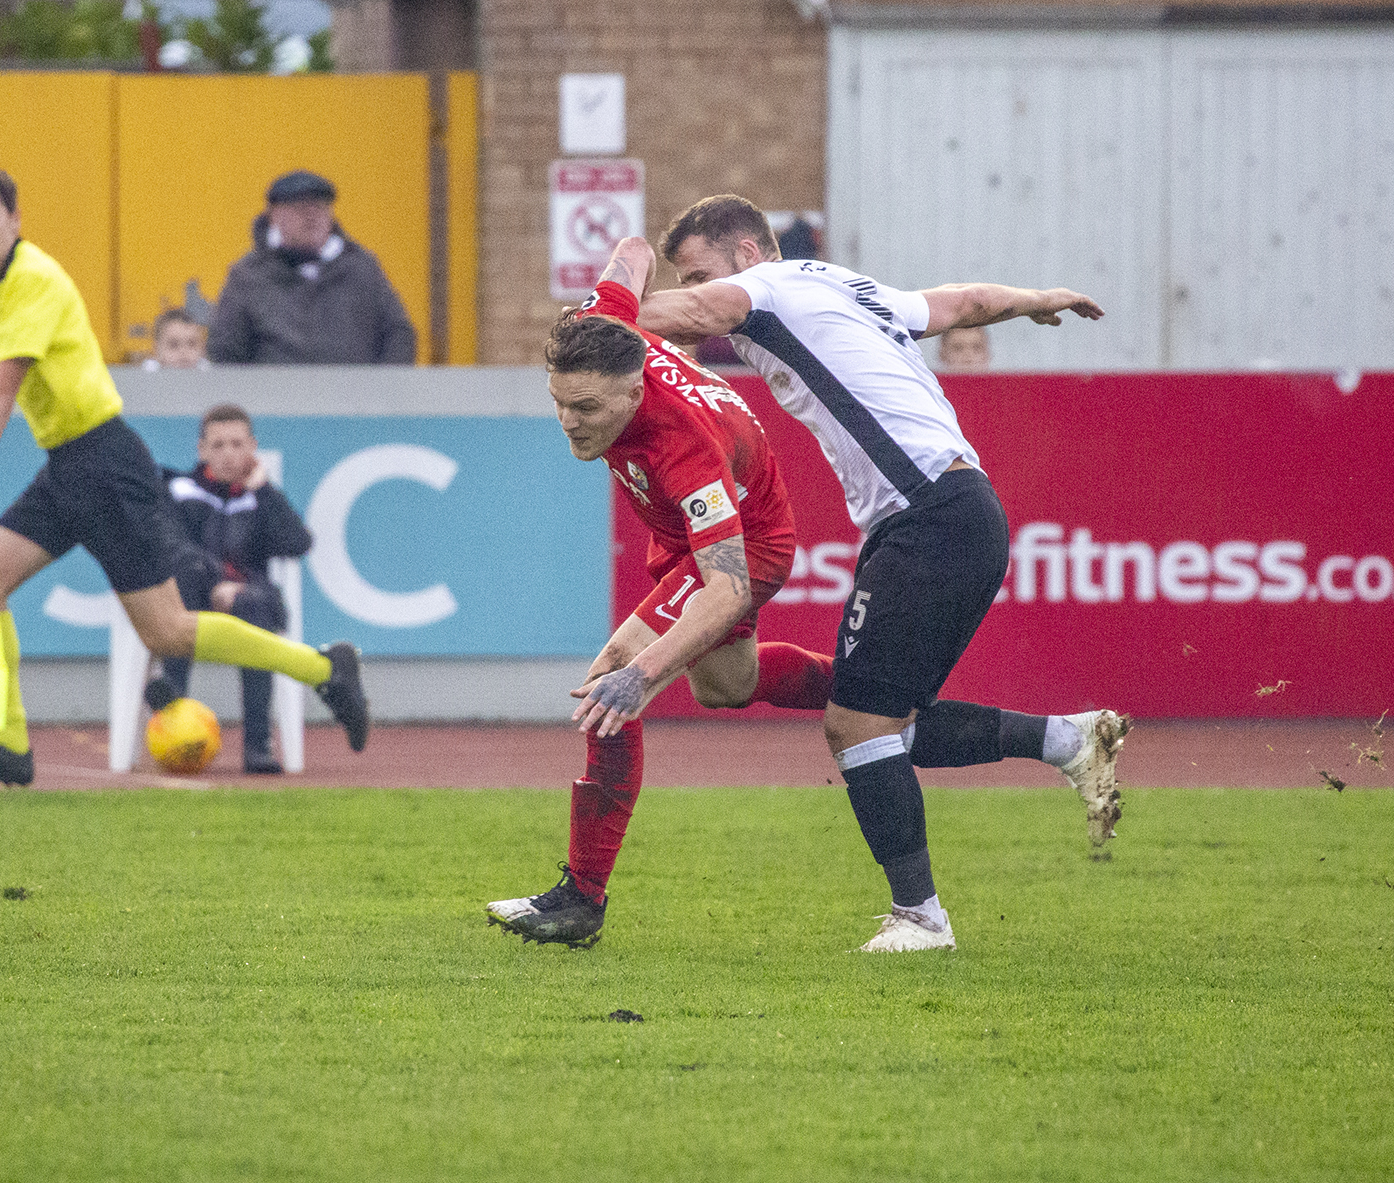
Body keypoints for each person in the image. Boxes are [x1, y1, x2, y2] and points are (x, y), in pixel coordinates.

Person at [636, 194, 1128, 952]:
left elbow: (696, 313)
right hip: (956, 510)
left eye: (699, 271)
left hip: (927, 515)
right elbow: (963, 301)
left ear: (744, 254)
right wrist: (1036, 300)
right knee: (889, 724)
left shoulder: (770, 286)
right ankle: (1068, 740)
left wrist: (598, 313)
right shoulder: (851, 287)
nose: (697, 290)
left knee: (856, 725)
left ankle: (922, 918)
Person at [0, 163, 370, 786]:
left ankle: (324, 669)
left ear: (16, 220)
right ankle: (7, 742)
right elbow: (23, 384)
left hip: (104, 464)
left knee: (168, 630)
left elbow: (5, 390)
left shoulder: (32, 278)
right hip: (69, 465)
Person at [483, 236, 839, 949]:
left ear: (635, 387)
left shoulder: (685, 447)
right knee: (725, 687)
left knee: (611, 681)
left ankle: (582, 899)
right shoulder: (606, 327)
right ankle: (867, 692)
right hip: (683, 537)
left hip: (744, 546)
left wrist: (641, 674)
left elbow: (728, 587)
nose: (569, 423)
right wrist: (632, 304)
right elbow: (635, 247)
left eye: (585, 407)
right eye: (558, 403)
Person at [145, 404, 311, 775]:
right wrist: (217, 578)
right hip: (191, 593)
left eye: (237, 444)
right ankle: (173, 723)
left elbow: (298, 543)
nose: (228, 454)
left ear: (252, 447)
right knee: (181, 586)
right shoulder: (176, 489)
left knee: (256, 610)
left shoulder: (261, 498)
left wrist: (265, 491)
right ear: (201, 449)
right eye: (218, 445)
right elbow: (169, 544)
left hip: (248, 598)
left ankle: (257, 747)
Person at [206, 170, 417, 365]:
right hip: (274, 403)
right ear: (274, 215)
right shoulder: (248, 276)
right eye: (301, 209)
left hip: (354, 402)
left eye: (321, 208)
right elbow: (224, 351)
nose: (312, 216)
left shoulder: (361, 268)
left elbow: (398, 333)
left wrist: (382, 394)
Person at [142, 307, 209, 371]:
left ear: (203, 349)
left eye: (192, 344)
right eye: (173, 345)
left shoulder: (210, 375)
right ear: (156, 350)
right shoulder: (144, 378)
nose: (184, 352)